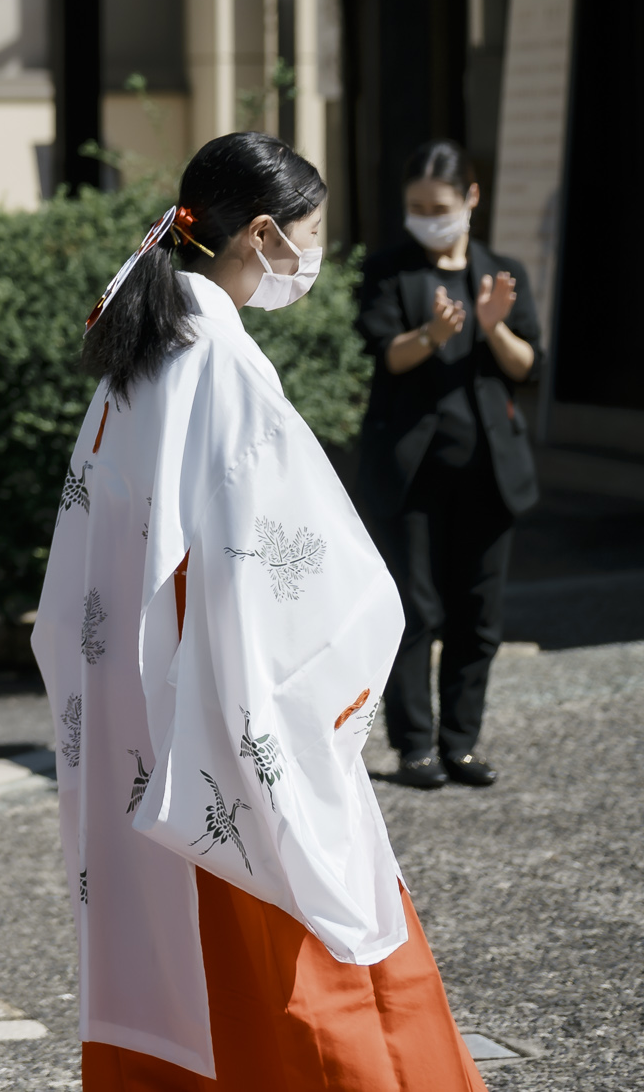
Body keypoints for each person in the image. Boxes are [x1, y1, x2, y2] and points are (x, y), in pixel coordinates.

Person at [32, 134, 483, 1091]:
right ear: (264, 234)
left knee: (170, 950)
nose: (312, 261)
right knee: (299, 929)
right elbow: (288, 557)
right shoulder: (218, 356)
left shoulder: (141, 350)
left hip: (141, 705)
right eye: (310, 237)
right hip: (218, 695)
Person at [349, 143, 539, 792]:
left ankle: (461, 742)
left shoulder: (502, 273)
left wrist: (490, 327)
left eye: (440, 207)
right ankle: (415, 747)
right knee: (414, 610)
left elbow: (526, 365)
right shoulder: (388, 272)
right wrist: (432, 333)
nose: (428, 218)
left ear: (471, 199)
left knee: (477, 613)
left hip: (489, 472)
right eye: (416, 208)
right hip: (409, 474)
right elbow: (388, 356)